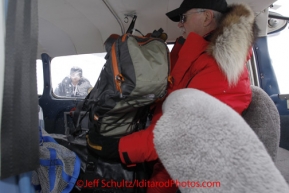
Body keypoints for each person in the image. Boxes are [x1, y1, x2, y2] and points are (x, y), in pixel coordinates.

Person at [87, 0, 256, 192]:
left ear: (207, 17)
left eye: (183, 18)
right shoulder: (193, 55)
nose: (180, 24)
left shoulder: (221, 70)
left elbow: (177, 137)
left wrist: (118, 148)